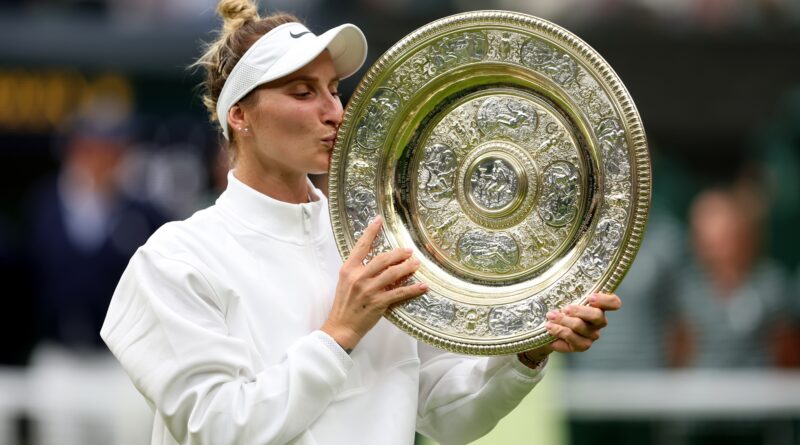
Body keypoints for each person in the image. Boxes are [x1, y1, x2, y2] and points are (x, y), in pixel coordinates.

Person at [100, 2, 621, 444]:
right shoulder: (175, 258)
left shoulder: (382, 237)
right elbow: (216, 428)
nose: (334, 111)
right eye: (303, 93)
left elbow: (445, 415)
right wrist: (339, 333)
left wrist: (527, 351)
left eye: (333, 89)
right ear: (240, 115)